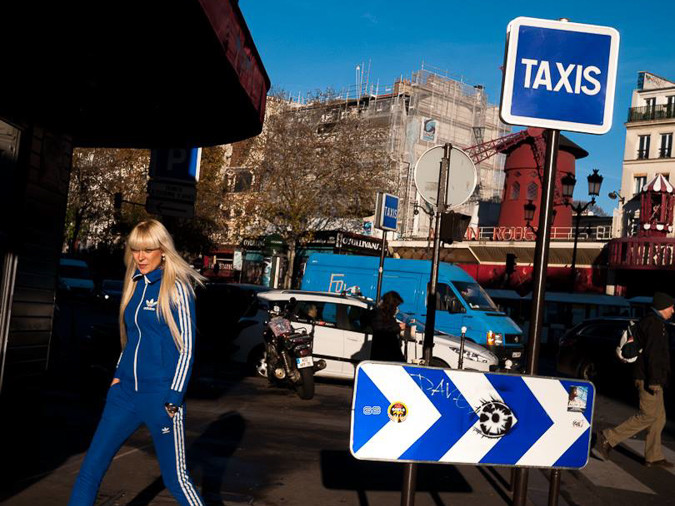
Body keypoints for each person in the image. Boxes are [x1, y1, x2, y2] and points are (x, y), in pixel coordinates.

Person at [69, 220, 206, 505]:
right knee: (90, 470)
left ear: (163, 251)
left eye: (147, 250)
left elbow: (188, 348)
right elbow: (132, 338)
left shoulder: (176, 287)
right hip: (124, 394)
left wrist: (173, 398)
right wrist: (118, 376)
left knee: (176, 479)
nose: (140, 257)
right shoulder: (135, 285)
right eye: (135, 250)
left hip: (161, 396)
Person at [595, 291, 674, 468]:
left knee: (659, 418)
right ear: (662, 307)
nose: (673, 311)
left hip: (653, 378)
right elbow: (654, 356)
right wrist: (654, 381)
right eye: (671, 307)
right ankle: (608, 437)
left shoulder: (655, 322)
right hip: (648, 379)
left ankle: (653, 456)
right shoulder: (653, 324)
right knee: (647, 415)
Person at [370, 291, 406, 362]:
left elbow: (388, 326)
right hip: (383, 355)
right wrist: (398, 327)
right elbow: (381, 329)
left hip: (391, 353)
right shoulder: (378, 314)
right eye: (396, 306)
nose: (396, 309)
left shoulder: (388, 315)